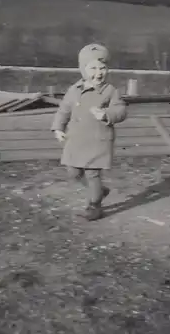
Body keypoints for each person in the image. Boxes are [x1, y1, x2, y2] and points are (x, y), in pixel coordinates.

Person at [51, 43, 127, 221]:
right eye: (93, 68)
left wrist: (107, 114)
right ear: (83, 69)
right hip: (76, 139)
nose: (99, 72)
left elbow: (121, 110)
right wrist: (58, 128)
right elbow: (64, 110)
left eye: (103, 68)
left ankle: (94, 206)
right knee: (73, 172)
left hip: (97, 140)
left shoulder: (110, 91)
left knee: (92, 174)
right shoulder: (74, 90)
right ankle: (99, 191)